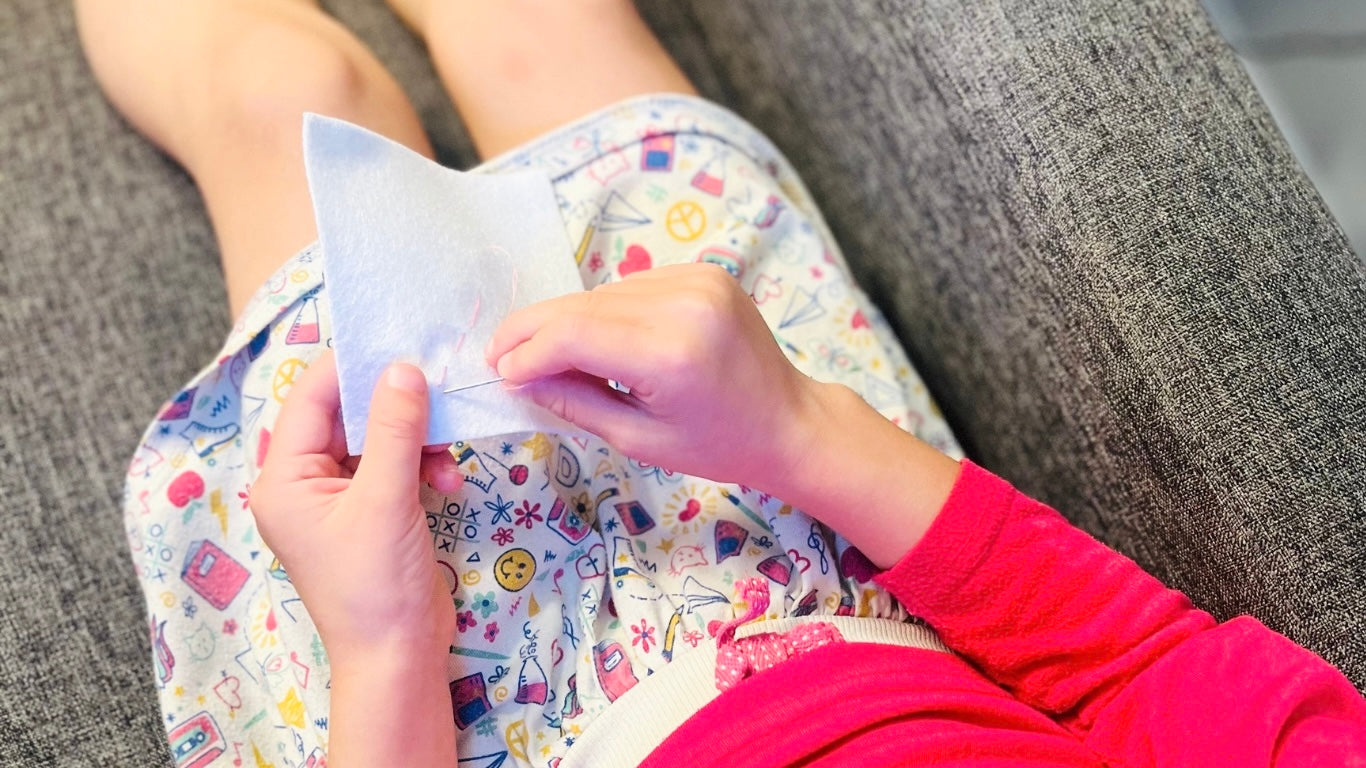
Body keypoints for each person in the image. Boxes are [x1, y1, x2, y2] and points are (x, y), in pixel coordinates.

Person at [77, 0, 1366, 766]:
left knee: (285, 95)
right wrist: (800, 428)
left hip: (467, 693)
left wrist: (382, 643)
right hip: (813, 522)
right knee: (540, 25)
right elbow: (1141, 667)